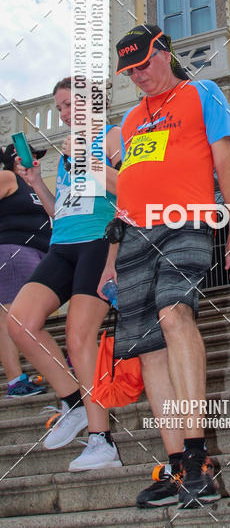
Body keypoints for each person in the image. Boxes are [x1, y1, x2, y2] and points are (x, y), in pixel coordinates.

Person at [97, 24, 230, 509]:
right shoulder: (128, 123)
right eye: (130, 71)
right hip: (135, 235)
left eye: (144, 64)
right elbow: (128, 192)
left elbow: (225, 165)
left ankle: (199, 455)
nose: (138, 76)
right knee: (149, 351)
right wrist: (109, 262)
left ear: (165, 52)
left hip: (187, 221)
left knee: (174, 314)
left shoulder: (201, 92)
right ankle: (178, 464)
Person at [9, 78, 123, 469]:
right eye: (59, 108)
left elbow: (129, 192)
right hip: (62, 245)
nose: (62, 114)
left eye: (68, 105)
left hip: (98, 243)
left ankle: (101, 440)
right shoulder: (64, 154)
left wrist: (113, 260)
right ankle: (74, 402)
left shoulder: (114, 136)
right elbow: (60, 213)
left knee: (79, 337)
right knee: (20, 323)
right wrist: (37, 183)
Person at [0, 144, 50, 397]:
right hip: (12, 251)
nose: (36, 161)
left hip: (40, 252)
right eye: (32, 156)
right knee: (11, 315)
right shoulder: (8, 177)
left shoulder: (34, 185)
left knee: (29, 316)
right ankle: (15, 381)